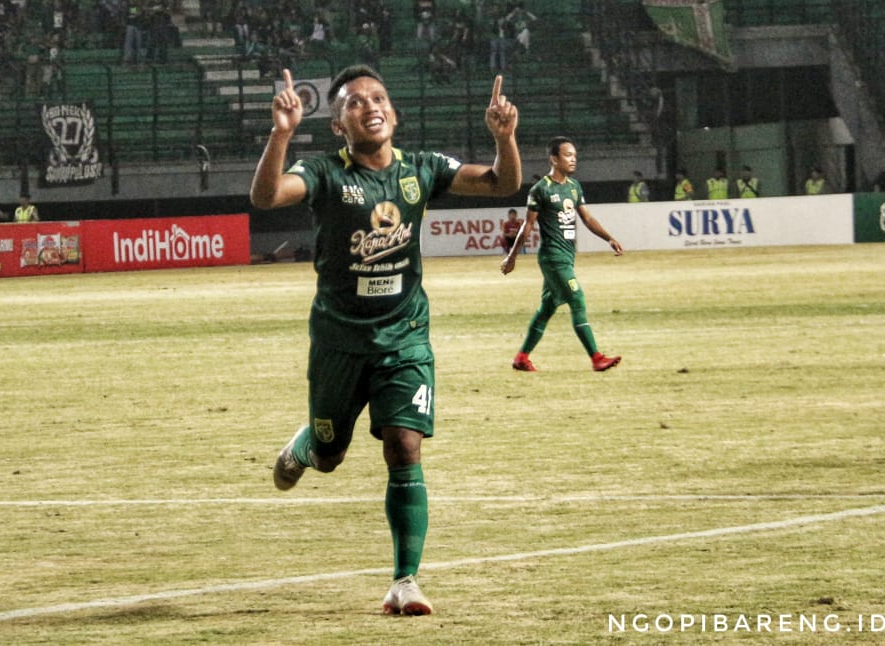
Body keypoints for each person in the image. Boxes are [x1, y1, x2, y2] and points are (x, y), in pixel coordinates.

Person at [250, 65, 520, 616]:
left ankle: (405, 581)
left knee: (404, 445)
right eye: (354, 102)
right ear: (337, 125)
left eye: (378, 98)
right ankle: (306, 445)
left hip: (406, 335)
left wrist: (504, 138)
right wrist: (281, 133)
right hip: (339, 340)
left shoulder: (423, 168)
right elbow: (269, 194)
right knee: (330, 456)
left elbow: (502, 183)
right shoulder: (324, 172)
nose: (369, 106)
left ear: (393, 113)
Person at [501, 136, 623, 373]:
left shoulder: (574, 187)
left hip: (567, 256)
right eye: (568, 155)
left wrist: (609, 237)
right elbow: (527, 226)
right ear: (554, 159)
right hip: (552, 257)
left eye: (574, 155)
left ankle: (521, 357)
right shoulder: (540, 189)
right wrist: (512, 257)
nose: (573, 159)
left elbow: (587, 218)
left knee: (547, 307)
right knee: (577, 299)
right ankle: (596, 357)